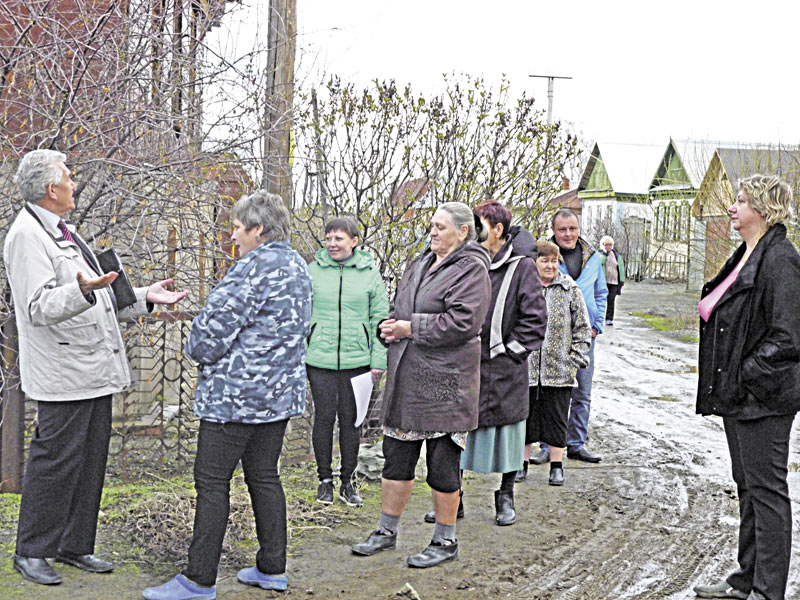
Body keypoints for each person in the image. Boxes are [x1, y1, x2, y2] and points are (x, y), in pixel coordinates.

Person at [3, 149, 187, 586]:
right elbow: (36, 307)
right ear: (52, 190)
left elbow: (99, 292)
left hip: (91, 369)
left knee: (89, 461)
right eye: (69, 177)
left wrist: (143, 297)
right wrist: (81, 291)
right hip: (63, 373)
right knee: (55, 462)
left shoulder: (63, 231)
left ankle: (74, 544)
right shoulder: (27, 236)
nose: (75, 183)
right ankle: (32, 551)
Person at [142, 191, 312, 600]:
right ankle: (272, 568)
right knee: (265, 477)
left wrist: (198, 343)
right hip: (277, 397)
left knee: (212, 482)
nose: (233, 235)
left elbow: (207, 339)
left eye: (237, 227)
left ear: (258, 229)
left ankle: (198, 580)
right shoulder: (299, 266)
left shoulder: (249, 271)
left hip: (235, 398)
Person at [351, 202, 490, 568]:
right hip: (408, 376)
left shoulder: (472, 268)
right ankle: (386, 530)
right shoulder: (422, 261)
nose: (432, 232)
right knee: (396, 457)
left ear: (463, 232)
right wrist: (389, 326)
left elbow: (464, 322)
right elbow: (402, 306)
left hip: (446, 381)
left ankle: (445, 540)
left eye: (440, 227)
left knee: (443, 464)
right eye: (431, 225)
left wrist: (410, 329)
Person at [693, 175, 800, 600]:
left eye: (741, 201)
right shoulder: (748, 253)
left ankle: (768, 590)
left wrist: (747, 372)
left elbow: (790, 336)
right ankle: (746, 578)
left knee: (768, 491)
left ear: (763, 209)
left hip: (765, 398)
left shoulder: (781, 258)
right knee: (748, 486)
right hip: (741, 396)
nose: (732, 207)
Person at [457, 200, 546, 526]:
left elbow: (535, 321)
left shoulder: (522, 267)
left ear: (497, 230)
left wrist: (509, 353)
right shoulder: (466, 262)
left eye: (479, 225)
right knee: (457, 434)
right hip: (466, 369)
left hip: (506, 372)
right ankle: (455, 497)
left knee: (509, 434)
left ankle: (505, 496)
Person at [306, 217, 389, 507]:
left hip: (358, 362)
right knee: (324, 419)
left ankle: (348, 482)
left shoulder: (369, 274)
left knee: (352, 422)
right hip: (319, 360)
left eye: (338, 238)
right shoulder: (312, 271)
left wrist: (378, 360)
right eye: (328, 238)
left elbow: (379, 318)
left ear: (354, 241)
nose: (332, 244)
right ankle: (324, 482)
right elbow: (302, 314)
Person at [529, 208, 607, 465]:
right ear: (554, 230)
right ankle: (545, 445)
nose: (568, 234)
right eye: (562, 229)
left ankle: (576, 443)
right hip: (548, 340)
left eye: (572, 228)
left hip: (583, 336)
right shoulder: (544, 255)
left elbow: (601, 292)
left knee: (582, 392)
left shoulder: (593, 257)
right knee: (545, 393)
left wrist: (596, 325)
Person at [520, 241, 591, 487]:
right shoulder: (525, 289)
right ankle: (522, 464)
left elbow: (583, 328)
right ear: (534, 263)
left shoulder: (569, 289)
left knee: (557, 419)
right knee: (526, 419)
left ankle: (557, 467)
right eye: (544, 260)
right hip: (526, 371)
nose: (550, 265)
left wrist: (574, 360)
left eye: (553, 261)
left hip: (560, 371)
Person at [599, 235, 625, 326]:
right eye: (606, 245)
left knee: (611, 300)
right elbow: (600, 262)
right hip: (603, 282)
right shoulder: (600, 254)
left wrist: (621, 281)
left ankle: (609, 319)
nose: (608, 247)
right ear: (603, 245)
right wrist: (605, 254)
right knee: (601, 300)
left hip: (614, 282)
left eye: (610, 245)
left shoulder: (617, 255)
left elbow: (621, 268)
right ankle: (599, 318)